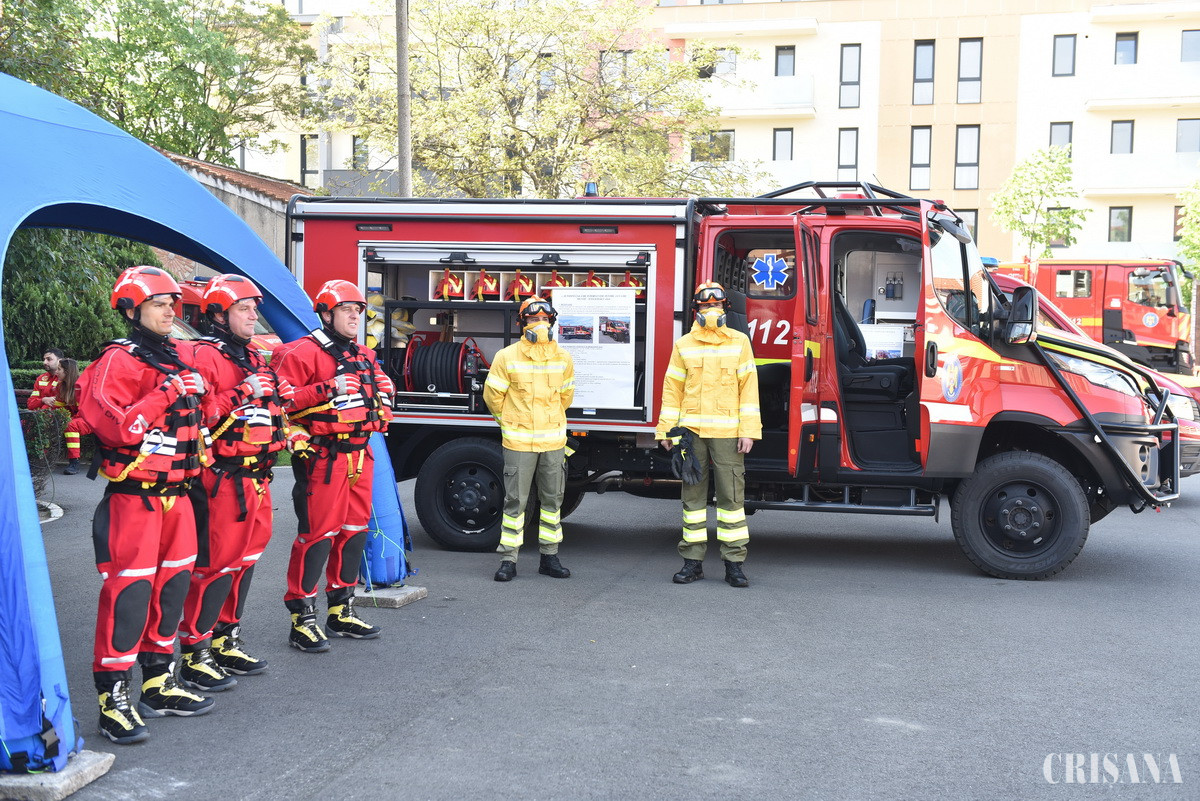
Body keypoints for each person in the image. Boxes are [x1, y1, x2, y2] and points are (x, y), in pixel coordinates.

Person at [77, 265, 213, 745]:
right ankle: (113, 699)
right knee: (130, 593)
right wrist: (166, 393)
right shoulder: (118, 361)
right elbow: (116, 428)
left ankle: (159, 681)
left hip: (179, 497)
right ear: (132, 310)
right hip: (134, 499)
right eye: (158, 304)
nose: (169, 311)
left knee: (172, 589)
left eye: (171, 304)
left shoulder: (176, 357)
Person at [176, 275, 296, 689]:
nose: (252, 316)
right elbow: (196, 413)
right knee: (214, 566)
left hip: (257, 478)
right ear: (218, 314)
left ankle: (225, 639)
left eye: (253, 309)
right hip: (223, 478)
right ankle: (194, 652)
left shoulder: (254, 355)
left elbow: (273, 406)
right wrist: (242, 391)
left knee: (244, 562)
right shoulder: (203, 355)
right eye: (243, 309)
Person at [271, 279, 394, 652]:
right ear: (326, 314)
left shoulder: (365, 354)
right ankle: (302, 619)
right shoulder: (298, 353)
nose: (355, 316)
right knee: (317, 536)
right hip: (323, 457)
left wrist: (384, 396)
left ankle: (341, 611)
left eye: (358, 310)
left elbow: (382, 390)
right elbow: (280, 402)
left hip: (360, 455)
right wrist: (328, 389)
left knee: (354, 532)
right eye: (346, 310)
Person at [655, 282, 761, 588]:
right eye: (704, 306)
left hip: (728, 432)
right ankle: (692, 562)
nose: (710, 310)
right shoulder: (684, 344)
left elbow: (749, 390)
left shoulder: (739, 342)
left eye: (715, 305)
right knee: (692, 499)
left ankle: (734, 564)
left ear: (725, 308)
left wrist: (749, 431)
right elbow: (672, 390)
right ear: (696, 310)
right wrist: (666, 429)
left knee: (731, 499)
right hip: (691, 433)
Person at [482, 296, 575, 582]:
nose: (540, 324)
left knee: (552, 503)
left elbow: (566, 397)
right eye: (534, 319)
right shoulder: (507, 356)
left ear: (552, 322)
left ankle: (550, 557)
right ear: (522, 323)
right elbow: (492, 397)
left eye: (545, 319)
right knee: (515, 503)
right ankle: (508, 560)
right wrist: (510, 422)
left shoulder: (563, 358)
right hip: (519, 443)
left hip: (553, 444)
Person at [57, 357, 92, 475]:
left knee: (70, 425)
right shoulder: (61, 386)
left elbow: (86, 412)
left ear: (67, 372)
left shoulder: (82, 386)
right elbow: (59, 407)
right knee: (54, 421)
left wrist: (68, 420)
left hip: (92, 419)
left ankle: (74, 462)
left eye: (59, 369)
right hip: (78, 418)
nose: (56, 372)